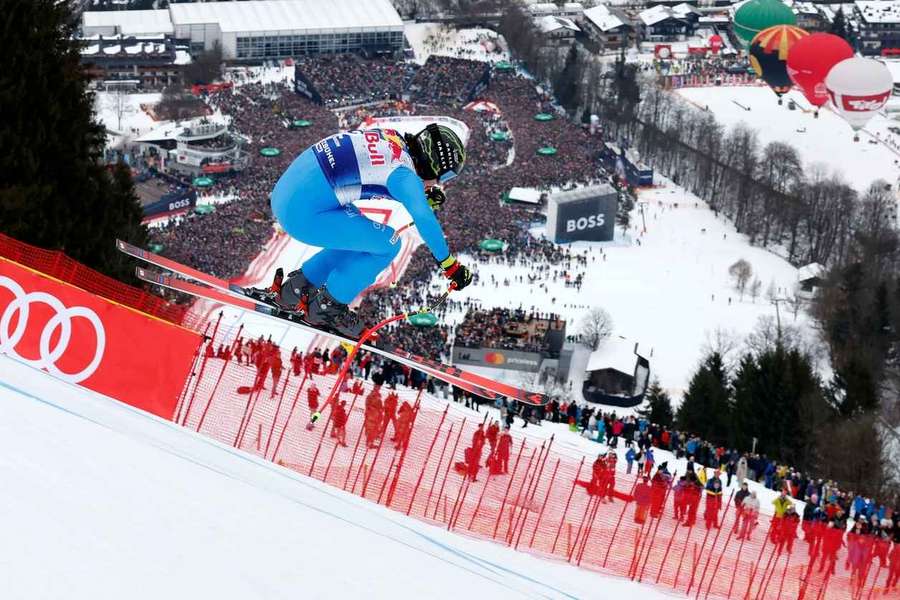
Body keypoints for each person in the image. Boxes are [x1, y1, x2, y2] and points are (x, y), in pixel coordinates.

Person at [259, 124, 473, 337]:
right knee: (389, 243)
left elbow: (376, 171)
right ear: (434, 163)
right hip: (303, 215)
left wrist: (419, 194)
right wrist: (449, 265)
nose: (437, 184)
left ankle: (296, 290)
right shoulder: (404, 175)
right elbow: (423, 217)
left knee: (362, 239)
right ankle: (326, 309)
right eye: (442, 177)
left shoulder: (391, 138)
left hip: (290, 196)